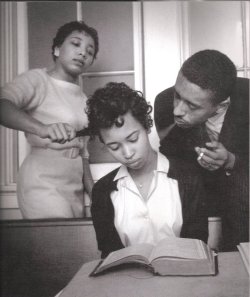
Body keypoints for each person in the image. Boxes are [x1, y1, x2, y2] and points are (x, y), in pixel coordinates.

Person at [86, 82, 208, 259]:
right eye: (114, 146)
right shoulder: (103, 191)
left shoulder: (188, 177)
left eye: (133, 139)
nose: (127, 153)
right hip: (128, 282)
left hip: (182, 281)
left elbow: (198, 246)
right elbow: (109, 256)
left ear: (147, 126)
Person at [0, 21, 98, 219]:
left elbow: (83, 155)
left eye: (90, 51)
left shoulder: (84, 100)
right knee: (56, 245)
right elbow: (3, 106)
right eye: (75, 44)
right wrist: (43, 128)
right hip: (41, 182)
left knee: (72, 245)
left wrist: (95, 195)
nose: (82, 53)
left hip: (73, 188)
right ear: (56, 49)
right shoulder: (38, 79)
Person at [154, 49, 249, 251]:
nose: (177, 111)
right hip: (199, 200)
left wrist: (231, 161)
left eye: (191, 105)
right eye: (177, 96)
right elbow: (171, 162)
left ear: (221, 106)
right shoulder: (163, 102)